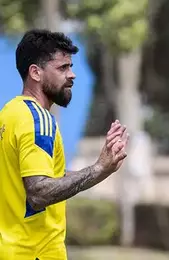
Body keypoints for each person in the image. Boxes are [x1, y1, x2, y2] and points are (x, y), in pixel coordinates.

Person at [0, 29, 129, 260]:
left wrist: (101, 169)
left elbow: (47, 176)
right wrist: (99, 168)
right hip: (33, 253)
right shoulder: (39, 120)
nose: (72, 75)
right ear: (35, 73)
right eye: (63, 68)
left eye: (70, 66)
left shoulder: (9, 113)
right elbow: (38, 192)